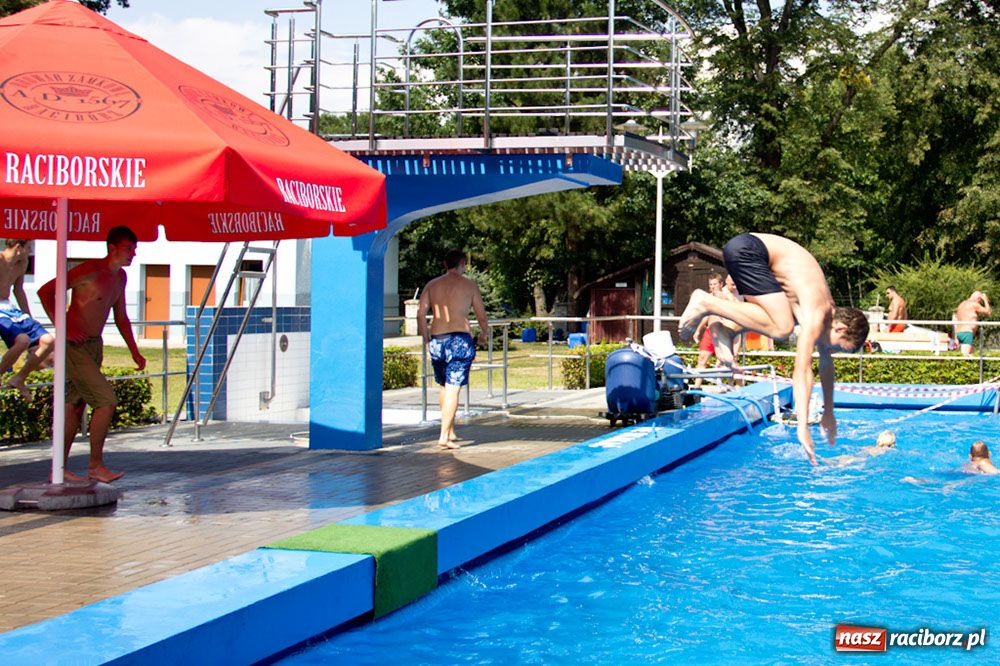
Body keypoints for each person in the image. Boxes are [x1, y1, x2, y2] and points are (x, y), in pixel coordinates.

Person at [678, 233, 870, 465]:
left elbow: (826, 365)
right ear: (840, 329)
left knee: (776, 319)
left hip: (750, 253)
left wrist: (828, 412)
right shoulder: (817, 313)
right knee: (783, 327)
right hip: (751, 250)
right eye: (840, 348)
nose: (834, 352)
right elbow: (802, 369)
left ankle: (725, 329)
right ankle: (706, 302)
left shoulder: (826, 315)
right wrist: (802, 427)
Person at [38, 226, 145, 483]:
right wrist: (64, 325)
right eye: (129, 248)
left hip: (94, 346)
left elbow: (121, 317)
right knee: (106, 401)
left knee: (75, 407)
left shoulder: (120, 279)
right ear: (112, 248)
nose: (133, 254)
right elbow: (46, 291)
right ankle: (95, 465)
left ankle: (59, 468)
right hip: (74, 346)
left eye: (134, 249)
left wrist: (134, 351)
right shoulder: (89, 270)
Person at [416, 249, 488, 450]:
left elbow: (421, 313)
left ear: (445, 264)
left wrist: (426, 337)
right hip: (460, 340)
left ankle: (450, 430)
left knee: (444, 386)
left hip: (437, 340)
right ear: (462, 264)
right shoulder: (469, 285)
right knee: (454, 387)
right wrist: (484, 332)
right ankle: (443, 436)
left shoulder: (432, 285)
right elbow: (481, 314)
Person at [1, 238, 54, 400]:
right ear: (18, 247)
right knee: (22, 341)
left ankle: (19, 378)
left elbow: (19, 291)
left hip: (9, 307)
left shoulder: (21, 264)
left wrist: (29, 317)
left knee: (48, 340)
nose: (30, 252)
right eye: (29, 248)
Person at [691, 274, 724, 388]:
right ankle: (696, 387)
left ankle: (720, 386)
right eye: (711, 284)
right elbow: (706, 316)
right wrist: (698, 330)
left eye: (715, 284)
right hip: (710, 331)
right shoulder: (708, 298)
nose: (713, 286)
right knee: (702, 359)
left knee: (721, 361)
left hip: (722, 332)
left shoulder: (725, 298)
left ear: (721, 284)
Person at [823, 430, 896, 467]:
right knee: (848, 463)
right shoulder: (888, 450)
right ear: (892, 443)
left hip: (859, 455)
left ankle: (826, 460)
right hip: (864, 459)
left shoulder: (869, 447)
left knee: (847, 458)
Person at [954, 291, 991, 356]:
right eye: (980, 301)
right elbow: (988, 312)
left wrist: (956, 336)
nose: (979, 303)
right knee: (965, 356)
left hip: (959, 332)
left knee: (971, 355)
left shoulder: (961, 304)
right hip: (967, 333)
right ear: (978, 299)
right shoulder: (974, 304)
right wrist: (985, 300)